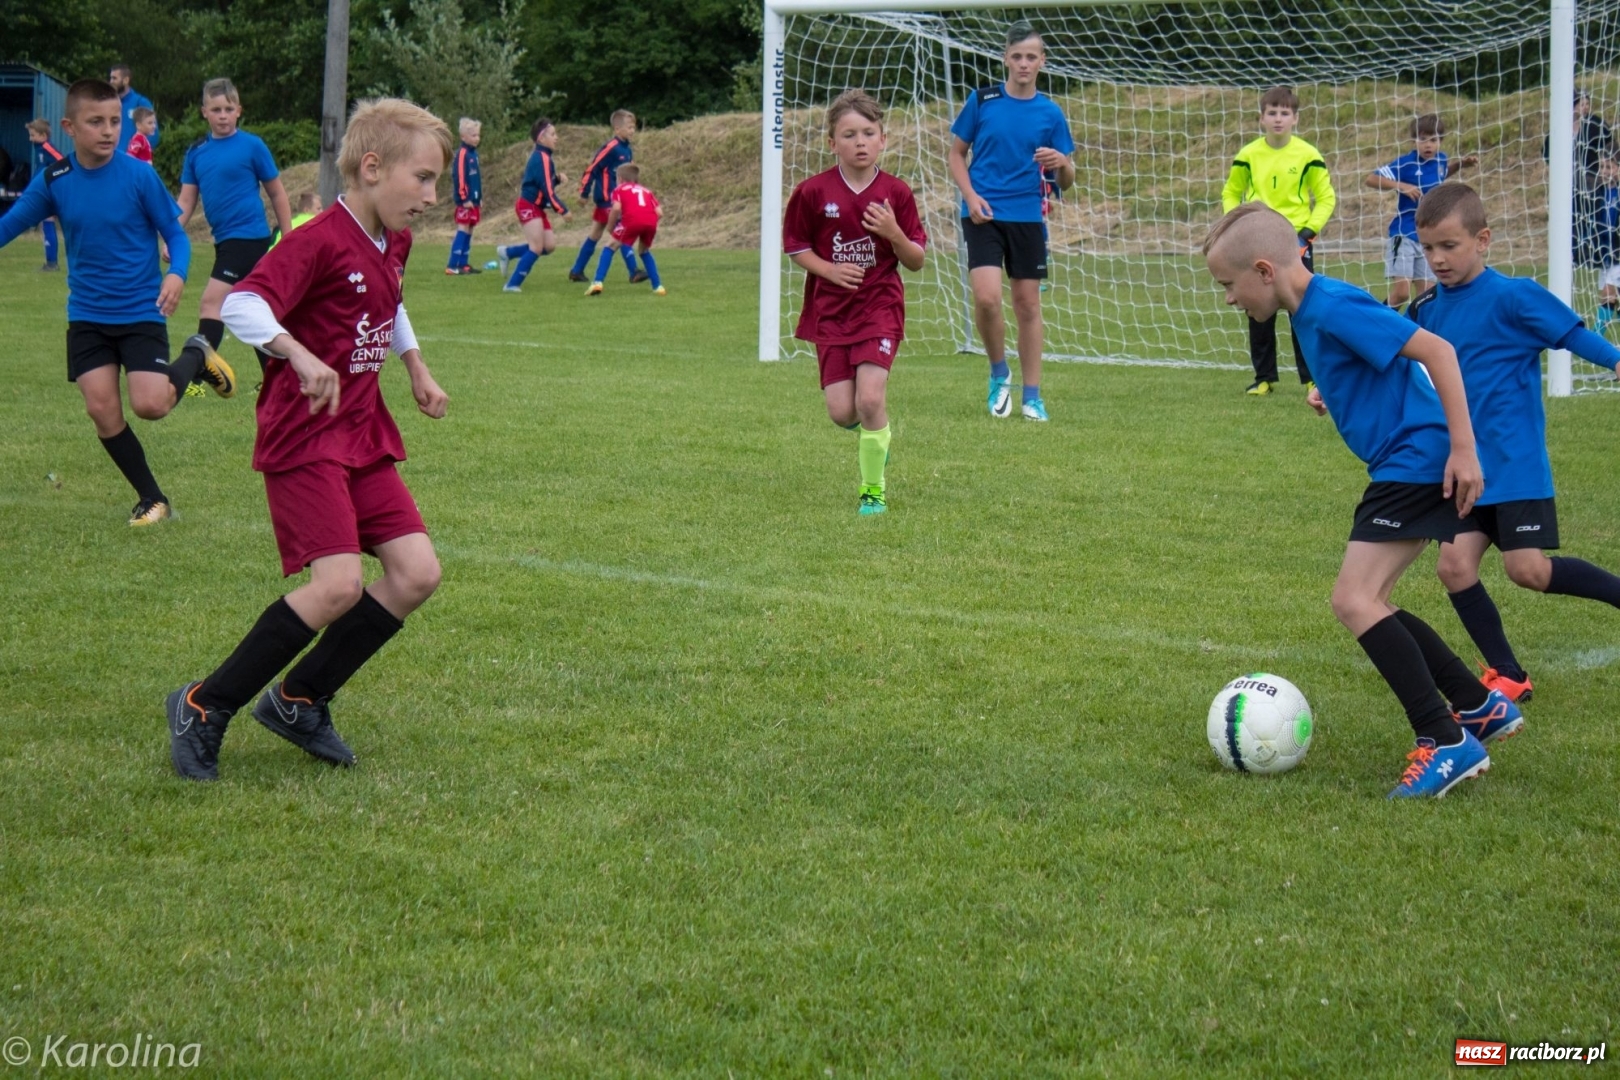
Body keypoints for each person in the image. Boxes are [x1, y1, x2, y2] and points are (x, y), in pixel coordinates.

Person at [167, 98, 453, 782]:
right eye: (422, 178)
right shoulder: (318, 237)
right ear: (373, 167)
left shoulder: (392, 236)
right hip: (307, 437)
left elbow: (390, 301)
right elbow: (238, 304)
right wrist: (297, 353)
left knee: (416, 573)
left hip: (362, 430)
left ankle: (298, 700)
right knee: (338, 587)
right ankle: (204, 706)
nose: (431, 196)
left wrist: (414, 364)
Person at [1202, 203, 1521, 798]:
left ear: (1264, 270)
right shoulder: (1310, 309)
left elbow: (1438, 354)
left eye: (1229, 285)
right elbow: (1378, 363)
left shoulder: (1330, 304)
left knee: (1353, 599)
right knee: (1371, 598)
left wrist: (1463, 449)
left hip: (1419, 460)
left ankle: (1445, 740)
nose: (1228, 299)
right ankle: (1479, 706)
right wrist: (1335, 389)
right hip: (1407, 459)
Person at [1406, 182, 1620, 705]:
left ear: (1483, 241)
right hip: (1462, 467)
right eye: (1428, 248)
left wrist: (1617, 361)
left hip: (1515, 465)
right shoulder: (1427, 308)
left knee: (1528, 571)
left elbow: (1574, 336)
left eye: (1449, 246)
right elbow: (1387, 347)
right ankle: (1508, 673)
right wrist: (1328, 385)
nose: (1437, 259)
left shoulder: (1515, 296)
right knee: (1454, 568)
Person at [0, 80, 233, 526]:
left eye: (113, 122)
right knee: (101, 410)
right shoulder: (54, 180)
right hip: (86, 316)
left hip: (140, 313)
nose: (108, 131)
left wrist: (176, 274)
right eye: (96, 122)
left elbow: (177, 236)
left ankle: (196, 354)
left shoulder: (138, 175)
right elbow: (9, 226)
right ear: (69, 127)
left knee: (151, 405)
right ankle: (152, 498)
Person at [784, 89, 927, 516]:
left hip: (879, 307)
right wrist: (828, 270)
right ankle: (874, 435)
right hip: (830, 312)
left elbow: (916, 260)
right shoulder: (812, 192)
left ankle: (872, 491)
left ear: (883, 139)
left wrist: (893, 232)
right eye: (849, 134)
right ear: (832, 143)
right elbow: (795, 247)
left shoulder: (896, 194)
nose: (860, 142)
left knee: (869, 400)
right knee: (842, 411)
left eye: (869, 133)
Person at [947, 21, 1074, 421]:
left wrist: (1063, 163)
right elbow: (956, 154)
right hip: (982, 214)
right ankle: (999, 373)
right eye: (1016, 56)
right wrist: (970, 196)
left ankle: (1032, 395)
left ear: (1042, 62)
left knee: (1027, 305)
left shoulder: (1051, 113)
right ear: (1005, 58)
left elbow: (1065, 181)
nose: (1023, 63)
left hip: (1028, 218)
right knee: (986, 297)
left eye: (1031, 57)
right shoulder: (982, 101)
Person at [1220, 86, 1336, 395]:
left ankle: (1311, 376)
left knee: (1301, 307)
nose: (1278, 119)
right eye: (1272, 112)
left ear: (1295, 119)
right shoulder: (1248, 155)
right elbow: (1231, 192)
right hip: (1257, 238)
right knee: (1257, 308)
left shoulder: (1308, 154)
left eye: (1285, 113)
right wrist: (1240, 222)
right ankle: (1264, 378)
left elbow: (1325, 198)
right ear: (1261, 118)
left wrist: (1307, 233)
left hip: (1294, 242)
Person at [176, 78, 293, 369]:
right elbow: (186, 201)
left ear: (239, 110)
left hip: (248, 239)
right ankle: (278, 373)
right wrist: (172, 233)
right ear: (204, 112)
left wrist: (289, 236)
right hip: (225, 241)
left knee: (211, 303)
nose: (223, 115)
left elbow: (277, 193)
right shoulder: (196, 152)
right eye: (216, 109)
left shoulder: (252, 146)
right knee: (254, 308)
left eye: (228, 108)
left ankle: (197, 375)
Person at [1364, 114, 1476, 309]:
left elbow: (1440, 174)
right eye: (1422, 139)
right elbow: (1371, 179)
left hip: (1428, 239)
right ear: (1413, 140)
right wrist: (1401, 186)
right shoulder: (1406, 163)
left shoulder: (1440, 160)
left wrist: (1460, 164)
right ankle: (1378, 325)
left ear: (1440, 141)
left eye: (1433, 140)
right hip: (1404, 234)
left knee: (1426, 296)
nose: (1428, 145)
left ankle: (1420, 336)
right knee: (1402, 293)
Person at [567, 109, 640, 284]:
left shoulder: (627, 150)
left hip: (617, 199)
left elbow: (628, 175)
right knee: (623, 230)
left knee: (595, 234)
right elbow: (592, 168)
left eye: (634, 127)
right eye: (629, 127)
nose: (632, 131)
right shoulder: (610, 148)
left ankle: (577, 270)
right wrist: (584, 193)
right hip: (607, 198)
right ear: (617, 129)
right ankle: (634, 271)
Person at [497, 118, 570, 293]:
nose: (556, 137)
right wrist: (562, 209)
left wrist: (556, 179)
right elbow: (547, 190)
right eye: (553, 134)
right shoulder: (542, 158)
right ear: (541, 139)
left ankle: (508, 253)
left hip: (536, 207)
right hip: (528, 205)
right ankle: (512, 284)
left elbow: (543, 182)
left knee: (548, 246)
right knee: (536, 247)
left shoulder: (544, 158)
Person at [587, 163, 665, 295]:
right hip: (651, 221)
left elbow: (616, 208)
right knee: (644, 251)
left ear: (620, 179)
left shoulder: (619, 190)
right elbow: (659, 213)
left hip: (631, 221)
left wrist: (611, 226)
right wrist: (646, 223)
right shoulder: (647, 191)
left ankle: (597, 283)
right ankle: (658, 287)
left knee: (609, 246)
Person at [445, 117, 482, 275]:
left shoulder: (474, 155)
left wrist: (478, 197)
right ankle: (453, 265)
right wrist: (464, 198)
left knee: (470, 229)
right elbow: (459, 177)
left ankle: (464, 264)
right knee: (463, 228)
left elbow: (476, 178)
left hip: (474, 200)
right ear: (463, 137)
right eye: (473, 135)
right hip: (464, 201)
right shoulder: (462, 154)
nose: (477, 138)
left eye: (478, 135)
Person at [25, 118, 63, 271]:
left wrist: (52, 181)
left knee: (48, 222)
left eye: (33, 135)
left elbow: (62, 161)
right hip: (46, 191)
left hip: (54, 191)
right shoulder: (40, 148)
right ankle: (51, 262)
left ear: (43, 135)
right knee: (46, 222)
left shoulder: (47, 147)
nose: (30, 138)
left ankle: (52, 263)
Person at [1594, 157, 1619, 335]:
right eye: (1602, 166)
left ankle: (1596, 334)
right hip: (1605, 252)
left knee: (1608, 292)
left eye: (1609, 167)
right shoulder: (1600, 193)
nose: (1604, 171)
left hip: (1618, 252)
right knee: (1613, 295)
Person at [107, 64, 159, 149]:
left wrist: (135, 153)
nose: (111, 82)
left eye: (114, 78)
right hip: (112, 159)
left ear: (126, 80)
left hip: (132, 159)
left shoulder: (140, 103)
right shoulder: (109, 103)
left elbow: (153, 135)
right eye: (110, 78)